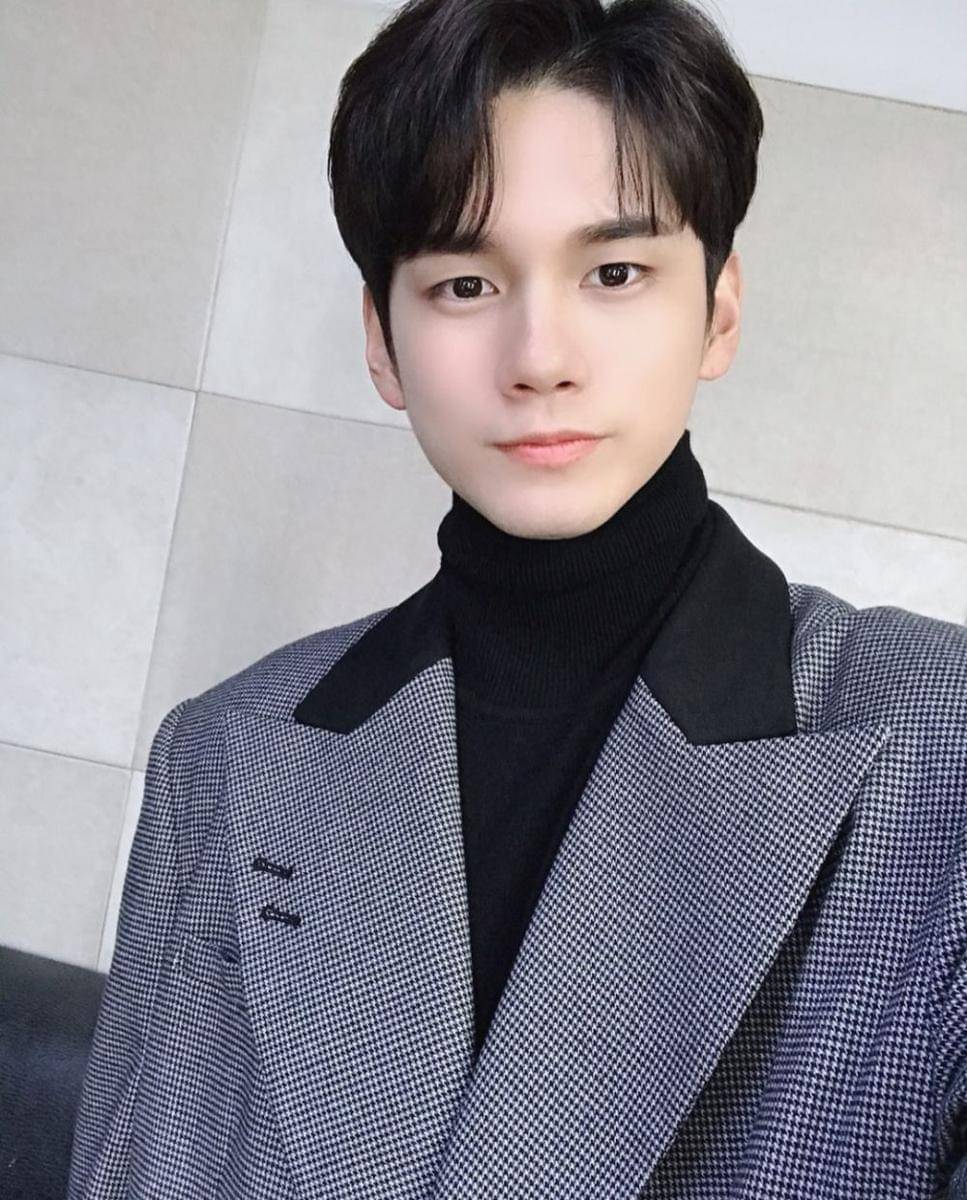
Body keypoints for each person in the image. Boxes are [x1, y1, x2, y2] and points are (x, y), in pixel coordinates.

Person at [68, 0, 967, 1196]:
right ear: (382, 344)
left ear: (719, 310)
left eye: (614, 272)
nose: (539, 357)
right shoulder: (225, 752)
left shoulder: (936, 739)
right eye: (463, 285)